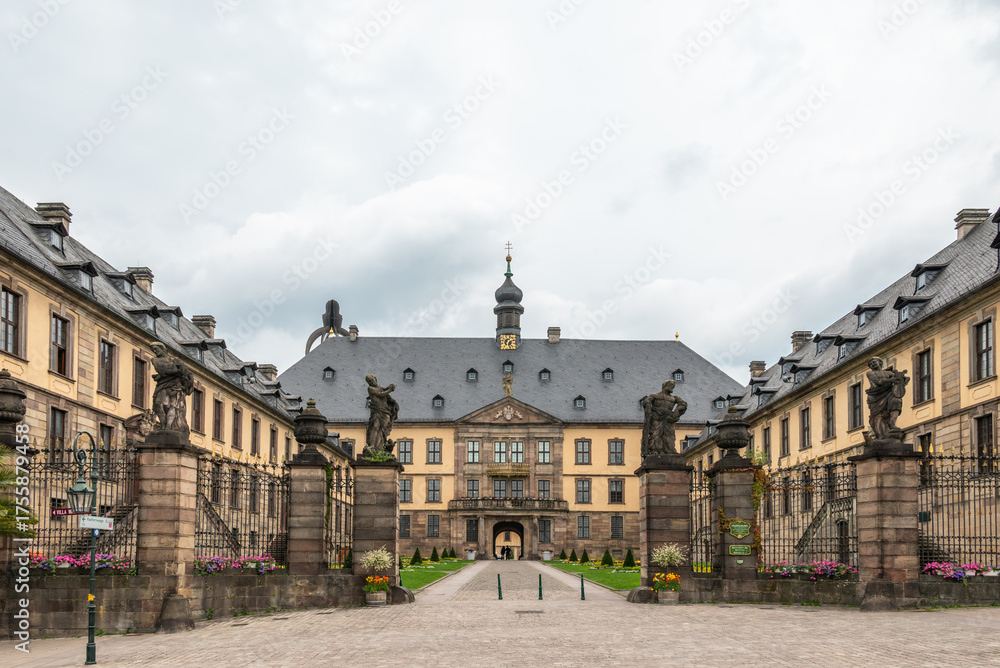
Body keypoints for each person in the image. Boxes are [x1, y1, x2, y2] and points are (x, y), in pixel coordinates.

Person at [150, 342, 194, 434]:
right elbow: (164, 371)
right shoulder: (155, 360)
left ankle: (168, 426)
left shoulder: (175, 360)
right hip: (163, 385)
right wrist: (175, 372)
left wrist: (187, 381)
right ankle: (163, 425)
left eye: (156, 349)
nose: (154, 351)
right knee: (158, 405)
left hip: (175, 387)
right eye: (153, 350)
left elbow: (187, 373)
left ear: (163, 349)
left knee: (172, 406)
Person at [641, 380, 688, 458]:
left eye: (673, 386)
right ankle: (655, 451)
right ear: (665, 385)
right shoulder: (655, 396)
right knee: (655, 434)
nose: (672, 387)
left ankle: (670, 450)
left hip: (668, 418)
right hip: (656, 417)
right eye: (671, 385)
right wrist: (648, 404)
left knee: (670, 435)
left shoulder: (674, 398)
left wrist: (676, 410)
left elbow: (683, 404)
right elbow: (647, 400)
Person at [866, 357, 909, 440]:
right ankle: (880, 435)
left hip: (888, 392)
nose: (872, 364)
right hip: (875, 396)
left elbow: (899, 379)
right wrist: (892, 380)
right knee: (878, 417)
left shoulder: (888, 373)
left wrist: (902, 379)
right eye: (870, 364)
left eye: (874, 362)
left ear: (880, 363)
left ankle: (892, 424)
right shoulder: (870, 373)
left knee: (896, 401)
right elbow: (878, 381)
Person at [364, 374, 399, 456]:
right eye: (369, 381)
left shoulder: (381, 388)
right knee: (375, 427)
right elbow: (381, 394)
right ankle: (372, 447)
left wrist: (394, 403)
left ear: (375, 379)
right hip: (377, 411)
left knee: (383, 430)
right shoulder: (370, 389)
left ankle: (379, 447)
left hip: (386, 412)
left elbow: (386, 394)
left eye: (372, 379)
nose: (372, 381)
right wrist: (390, 389)